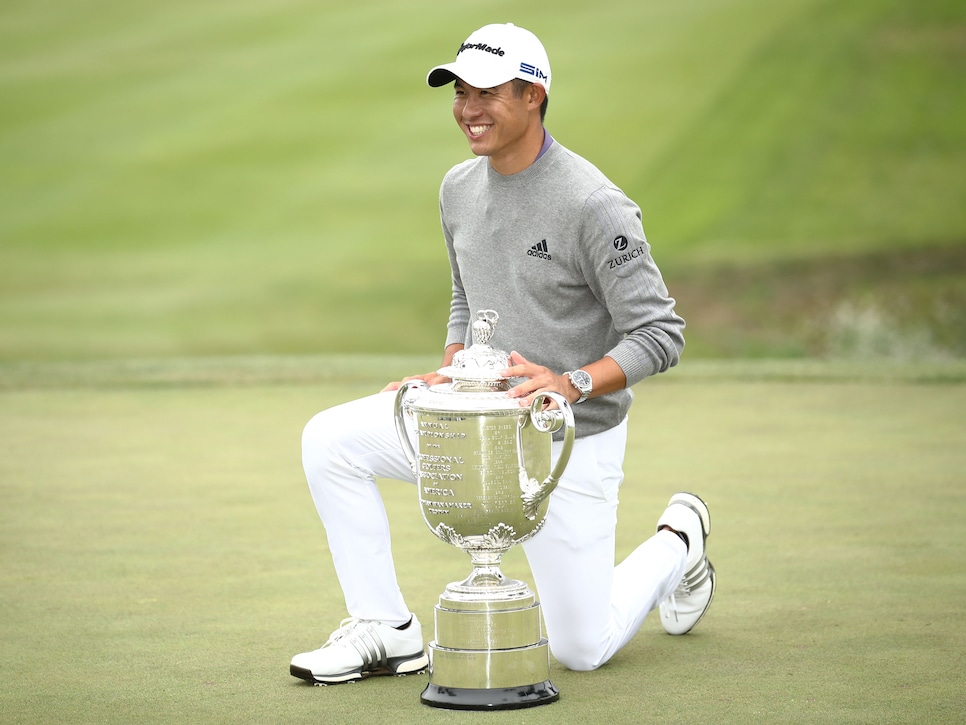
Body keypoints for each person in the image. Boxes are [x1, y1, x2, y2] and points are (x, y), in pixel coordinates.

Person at [290, 22, 715, 684]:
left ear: (534, 95)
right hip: (472, 426)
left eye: (486, 93)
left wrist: (567, 383)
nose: (468, 109)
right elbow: (467, 292)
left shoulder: (594, 204)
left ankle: (678, 540)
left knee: (581, 647)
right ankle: (388, 628)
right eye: (460, 92)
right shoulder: (458, 187)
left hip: (565, 437)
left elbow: (661, 334)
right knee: (328, 440)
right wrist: (452, 366)